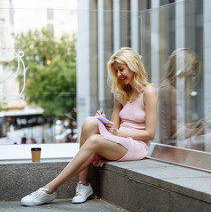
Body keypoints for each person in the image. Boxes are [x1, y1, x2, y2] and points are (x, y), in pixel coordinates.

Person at [21, 47, 158, 206]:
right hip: (121, 140)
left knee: (94, 140)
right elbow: (114, 128)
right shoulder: (121, 93)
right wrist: (105, 123)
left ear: (133, 66)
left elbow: (150, 133)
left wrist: (119, 132)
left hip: (137, 145)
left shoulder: (149, 92)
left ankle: (48, 190)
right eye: (116, 71)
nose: (119, 74)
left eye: (121, 69)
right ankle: (83, 184)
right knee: (89, 122)